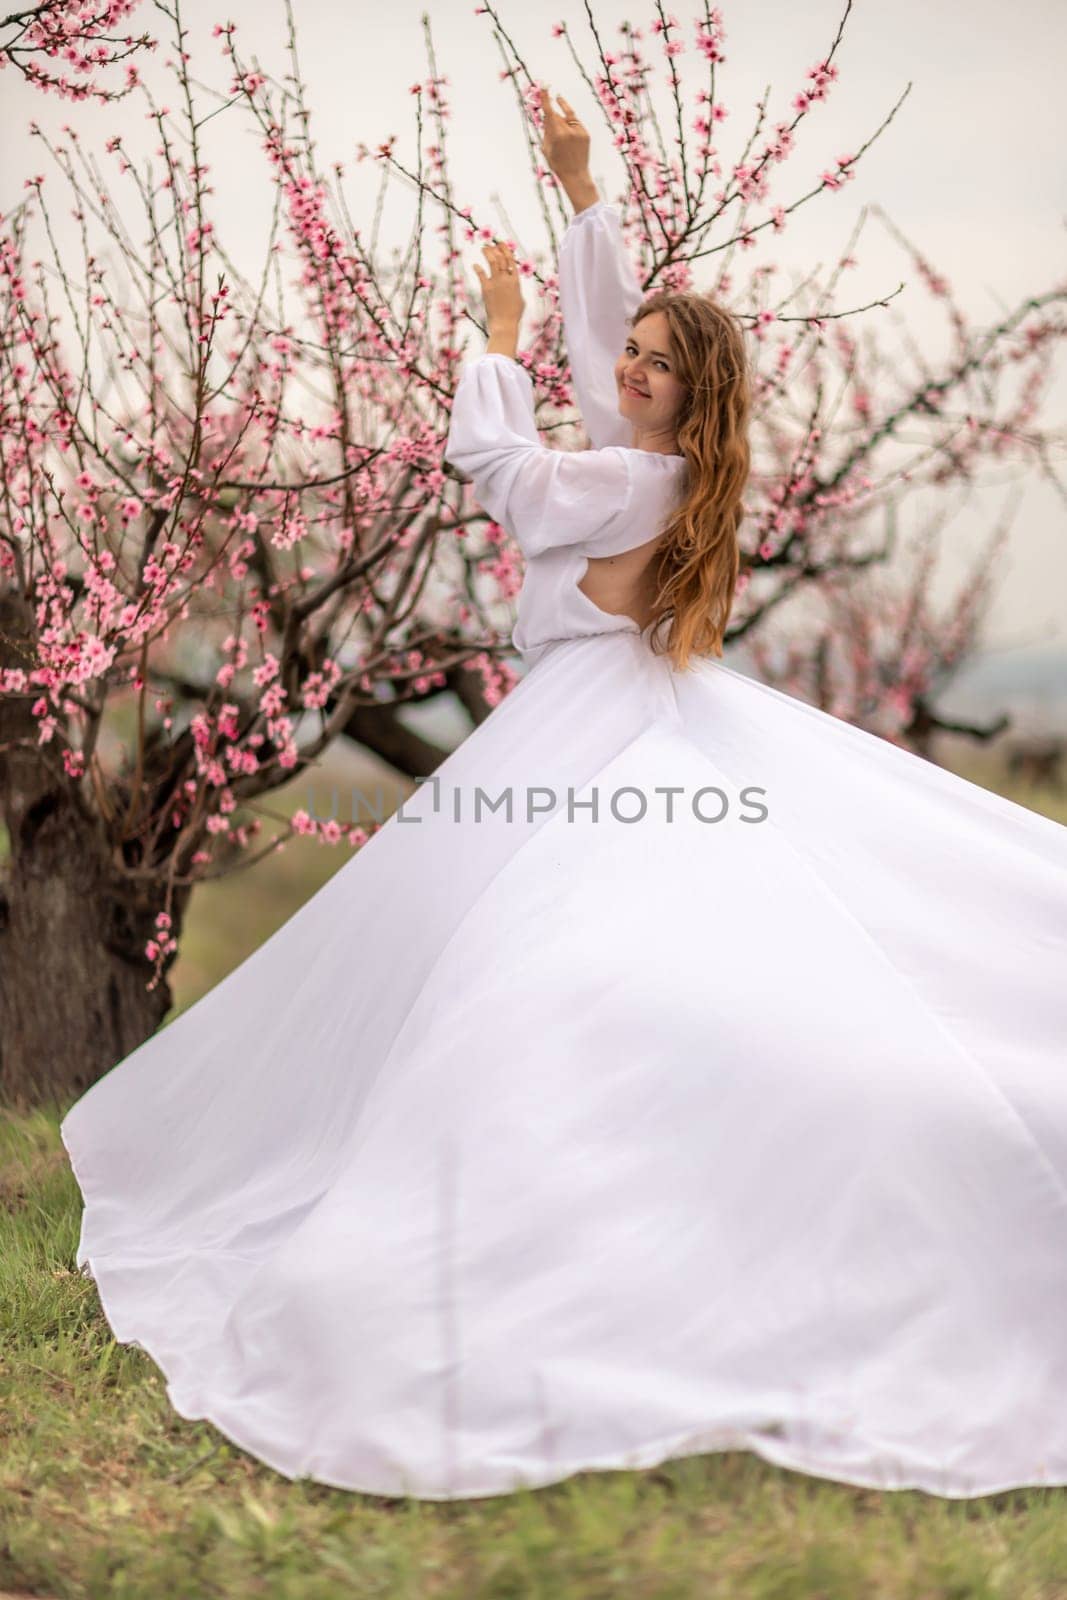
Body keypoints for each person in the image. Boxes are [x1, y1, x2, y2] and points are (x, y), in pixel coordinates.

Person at [60, 88, 1067, 1504]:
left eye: (664, 363)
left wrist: (490, 339)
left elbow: (507, 472)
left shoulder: (628, 487)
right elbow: (601, 357)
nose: (636, 371)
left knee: (537, 959)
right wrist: (583, 195)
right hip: (603, 709)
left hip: (596, 733)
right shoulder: (655, 466)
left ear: (694, 393)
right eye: (639, 355)